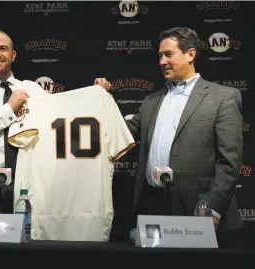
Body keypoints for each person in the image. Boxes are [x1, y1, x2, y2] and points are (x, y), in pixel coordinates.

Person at [95, 27, 244, 248]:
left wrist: (211, 210)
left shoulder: (223, 97)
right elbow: (122, 134)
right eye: (160, 55)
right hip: (152, 204)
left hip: (198, 209)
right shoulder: (151, 100)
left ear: (190, 54)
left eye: (168, 54)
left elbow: (229, 163)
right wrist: (103, 99)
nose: (162, 61)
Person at [0, 30, 110, 213]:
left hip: (30, 183)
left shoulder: (33, 90)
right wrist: (8, 109)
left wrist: (94, 95)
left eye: (3, 49)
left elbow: (63, 118)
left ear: (13, 55)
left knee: (30, 240)